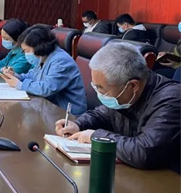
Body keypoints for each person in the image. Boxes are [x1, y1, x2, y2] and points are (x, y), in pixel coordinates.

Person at [55, 42, 180, 172]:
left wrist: (96, 137)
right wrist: (78, 125)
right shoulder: (125, 94)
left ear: (133, 86)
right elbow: (100, 114)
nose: (99, 94)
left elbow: (143, 152)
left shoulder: (171, 99)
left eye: (101, 89)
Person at [0, 25, 86, 115]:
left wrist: (19, 84)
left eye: (27, 51)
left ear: (39, 47)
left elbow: (46, 88)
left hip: (67, 114)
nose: (26, 54)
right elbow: (32, 75)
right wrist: (16, 76)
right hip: (48, 108)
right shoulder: (43, 56)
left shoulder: (60, 61)